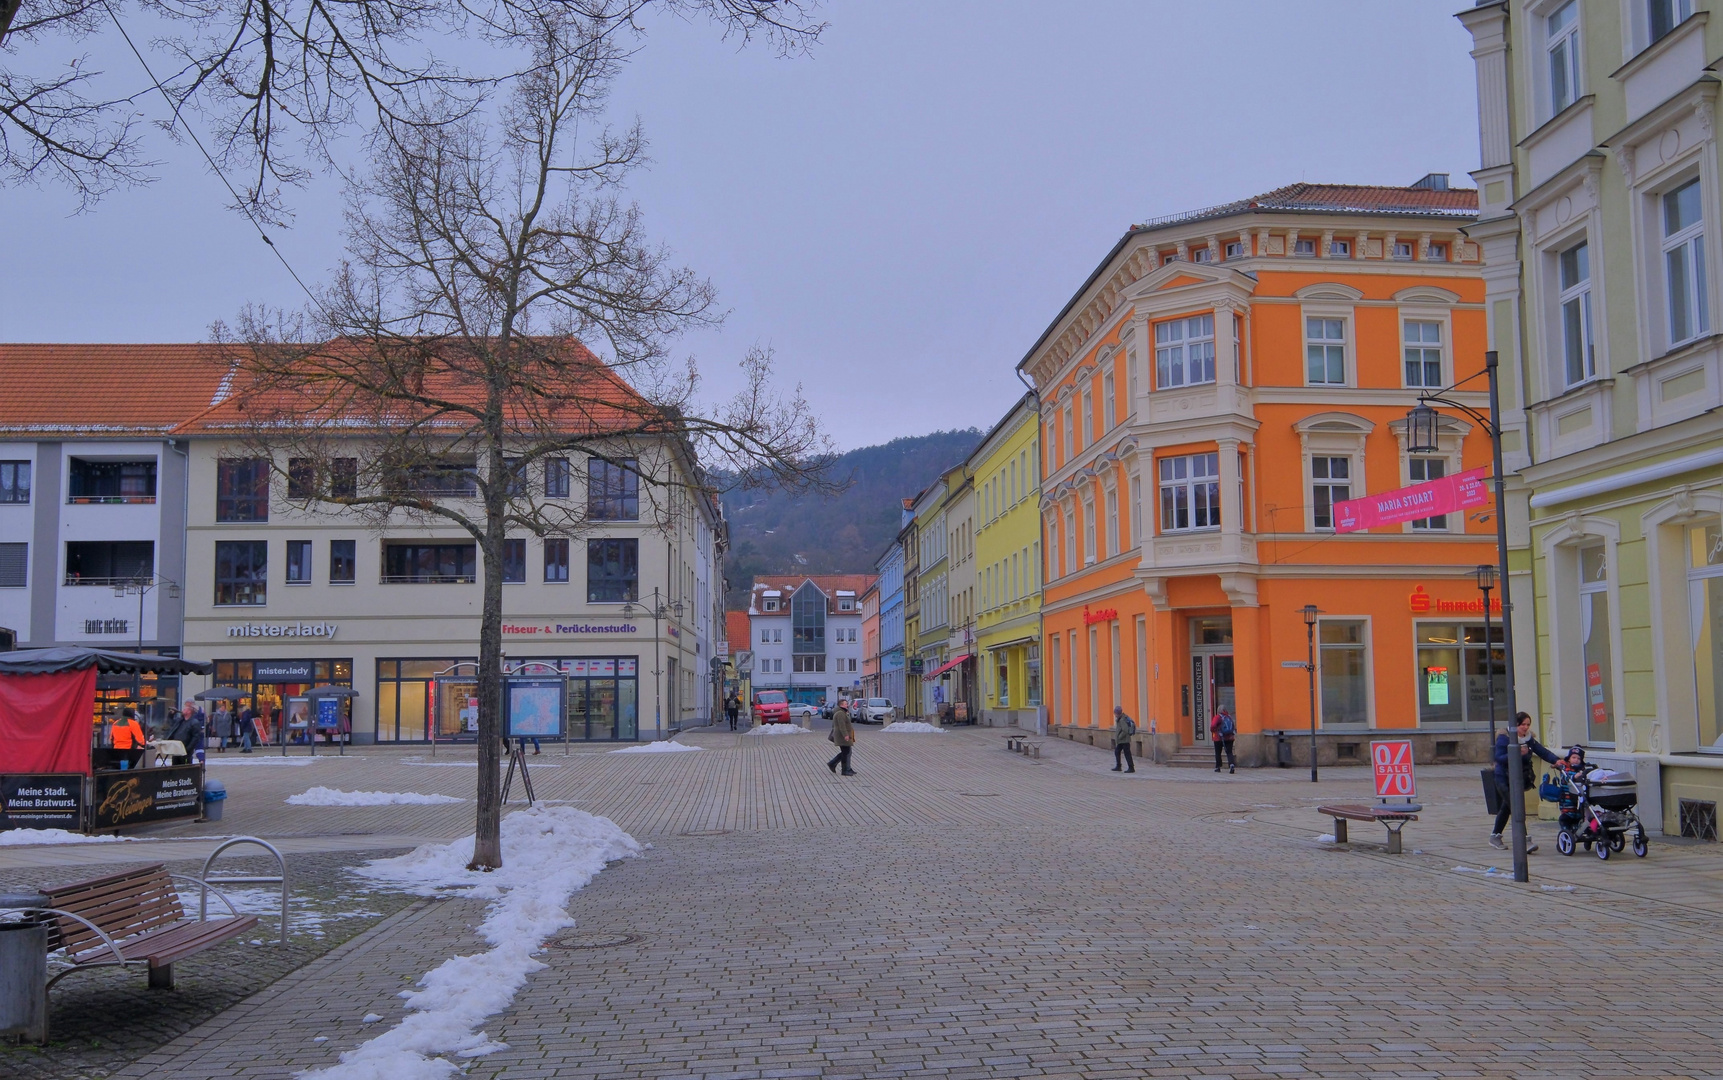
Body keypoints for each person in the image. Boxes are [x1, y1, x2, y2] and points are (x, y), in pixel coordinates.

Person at [1492, 711, 1557, 852]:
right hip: (1503, 777)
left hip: (1519, 778)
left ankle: (1495, 836)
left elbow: (1543, 752)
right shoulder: (1505, 738)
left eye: (1528, 724)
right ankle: (1525, 840)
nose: (1526, 727)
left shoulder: (1529, 739)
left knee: (1507, 807)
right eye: (1523, 725)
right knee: (1516, 806)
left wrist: (1557, 760)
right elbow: (1499, 757)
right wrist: (1515, 752)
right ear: (1515, 725)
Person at [827, 698, 857, 776]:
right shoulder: (840, 713)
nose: (847, 705)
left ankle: (846, 768)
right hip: (842, 736)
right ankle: (843, 769)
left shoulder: (843, 712)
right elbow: (842, 726)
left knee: (847, 752)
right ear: (841, 705)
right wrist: (845, 735)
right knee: (846, 752)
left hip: (843, 735)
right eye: (845, 703)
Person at [1210, 703, 1237, 774]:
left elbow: (1213, 725)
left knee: (1218, 752)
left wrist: (1213, 730)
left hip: (1218, 738)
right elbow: (1233, 726)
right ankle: (1231, 765)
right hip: (1229, 738)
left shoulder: (1217, 717)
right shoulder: (1229, 717)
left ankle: (1218, 767)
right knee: (1229, 752)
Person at [1111, 705, 1137, 773]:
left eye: (1115, 713)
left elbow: (1125, 730)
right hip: (1122, 740)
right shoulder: (1121, 718)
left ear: (1117, 713)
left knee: (1127, 753)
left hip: (1124, 740)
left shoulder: (1122, 720)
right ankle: (1119, 766)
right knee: (1117, 752)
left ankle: (1131, 767)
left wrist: (1119, 737)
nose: (1115, 715)